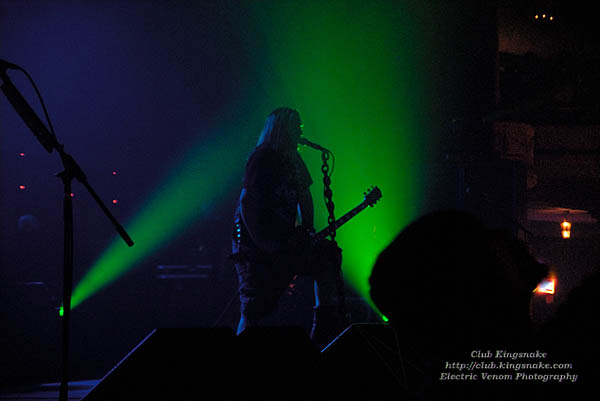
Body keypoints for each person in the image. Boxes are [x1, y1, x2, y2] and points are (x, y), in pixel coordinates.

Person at [231, 107, 343, 346]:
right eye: (296, 126)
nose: (300, 131)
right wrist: (262, 243)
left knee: (326, 258)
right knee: (254, 309)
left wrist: (308, 230)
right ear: (282, 128)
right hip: (255, 245)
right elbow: (246, 201)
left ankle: (323, 335)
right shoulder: (263, 158)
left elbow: (305, 195)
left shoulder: (295, 159)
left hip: (283, 239)